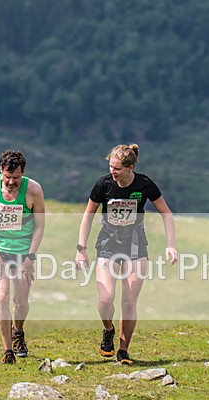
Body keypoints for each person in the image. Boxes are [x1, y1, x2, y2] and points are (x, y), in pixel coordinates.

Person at [75, 143, 177, 365]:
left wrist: (171, 245)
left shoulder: (144, 184)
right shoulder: (103, 184)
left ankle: (123, 350)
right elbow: (88, 216)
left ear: (130, 167)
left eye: (117, 168)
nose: (113, 172)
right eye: (111, 166)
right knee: (105, 300)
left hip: (135, 247)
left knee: (129, 302)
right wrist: (81, 249)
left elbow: (166, 214)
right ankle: (108, 330)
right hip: (108, 246)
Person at [0, 150, 45, 364]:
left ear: (23, 173)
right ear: (1, 171)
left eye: (16, 178)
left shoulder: (34, 190)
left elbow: (40, 225)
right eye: (7, 177)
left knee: (20, 302)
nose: (11, 182)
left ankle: (18, 331)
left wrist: (30, 258)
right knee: (1, 297)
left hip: (23, 251)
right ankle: (7, 350)